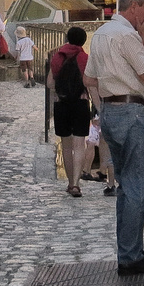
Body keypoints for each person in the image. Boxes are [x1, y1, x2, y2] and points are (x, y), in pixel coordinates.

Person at [83, 0, 144, 275]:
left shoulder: (103, 33)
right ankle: (130, 256)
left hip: (111, 112)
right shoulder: (128, 35)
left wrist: (102, 107)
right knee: (138, 186)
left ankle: (131, 246)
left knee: (126, 185)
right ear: (134, 8)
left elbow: (89, 77)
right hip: (131, 110)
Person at [47, 27, 91, 197]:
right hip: (80, 103)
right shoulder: (85, 58)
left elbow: (50, 83)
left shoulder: (57, 57)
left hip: (62, 103)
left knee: (66, 145)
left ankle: (70, 182)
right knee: (79, 144)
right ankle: (77, 184)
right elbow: (88, 82)